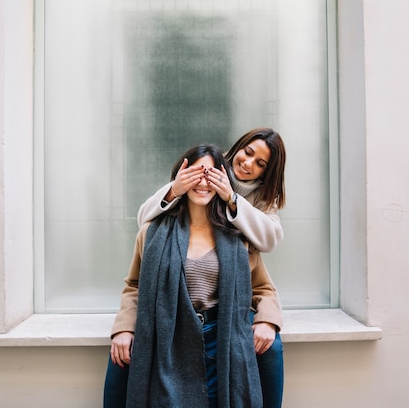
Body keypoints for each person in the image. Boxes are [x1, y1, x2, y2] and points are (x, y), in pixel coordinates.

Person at [104, 144, 283, 408]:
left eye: (210, 174)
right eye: (196, 173)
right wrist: (124, 327)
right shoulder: (152, 233)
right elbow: (134, 285)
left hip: (220, 337)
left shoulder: (238, 237)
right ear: (181, 176)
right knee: (122, 365)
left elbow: (264, 289)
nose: (202, 181)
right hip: (170, 334)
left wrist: (268, 321)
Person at [137, 127, 286, 253]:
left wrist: (232, 199)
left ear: (267, 172)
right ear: (239, 146)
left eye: (260, 164)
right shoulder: (208, 164)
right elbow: (143, 219)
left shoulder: (264, 196)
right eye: (248, 152)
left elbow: (270, 240)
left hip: (230, 269)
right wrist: (173, 191)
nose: (248, 163)